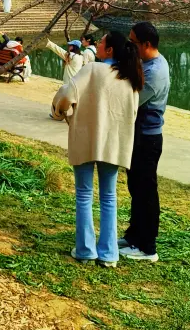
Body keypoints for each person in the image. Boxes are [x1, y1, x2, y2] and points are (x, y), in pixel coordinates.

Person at [51, 31, 143, 268]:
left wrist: (60, 112)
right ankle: (109, 253)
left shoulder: (93, 70)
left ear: (109, 49)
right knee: (109, 196)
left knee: (84, 194)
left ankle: (85, 250)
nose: (98, 44)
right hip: (113, 142)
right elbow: (133, 112)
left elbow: (66, 93)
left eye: (102, 42)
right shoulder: (130, 77)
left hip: (86, 137)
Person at [120, 21, 170, 263]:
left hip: (148, 139)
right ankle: (133, 237)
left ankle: (147, 247)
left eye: (133, 43)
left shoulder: (154, 73)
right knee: (136, 188)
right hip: (138, 136)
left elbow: (131, 102)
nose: (130, 47)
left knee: (146, 192)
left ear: (146, 45)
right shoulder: (146, 63)